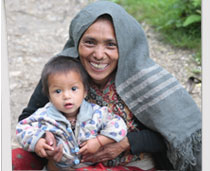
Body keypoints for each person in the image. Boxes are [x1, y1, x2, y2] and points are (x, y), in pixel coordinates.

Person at [12, 1, 201, 171]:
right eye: (89, 42)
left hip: (130, 165)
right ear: (77, 42)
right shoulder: (64, 74)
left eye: (111, 45)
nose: (99, 54)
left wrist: (124, 143)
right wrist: (45, 139)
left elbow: (175, 135)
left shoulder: (145, 80)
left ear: (125, 46)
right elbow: (29, 117)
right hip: (67, 161)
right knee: (13, 160)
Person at [16, 56, 128, 169]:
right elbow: (22, 129)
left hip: (91, 167)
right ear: (48, 95)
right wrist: (38, 142)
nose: (66, 96)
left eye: (74, 89)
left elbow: (119, 126)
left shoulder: (96, 113)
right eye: (58, 91)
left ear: (85, 91)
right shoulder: (44, 115)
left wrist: (99, 141)